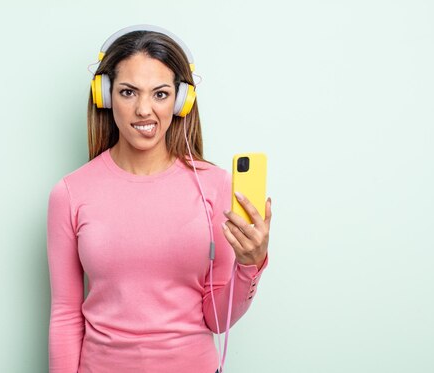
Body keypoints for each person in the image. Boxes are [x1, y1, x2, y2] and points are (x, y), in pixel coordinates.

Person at [47, 24, 272, 373]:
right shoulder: (70, 193)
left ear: (182, 102)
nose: (143, 110)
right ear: (105, 96)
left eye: (160, 94)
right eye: (128, 92)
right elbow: (65, 314)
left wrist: (250, 264)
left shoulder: (213, 186)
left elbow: (216, 318)